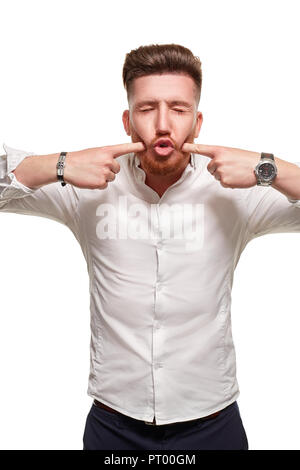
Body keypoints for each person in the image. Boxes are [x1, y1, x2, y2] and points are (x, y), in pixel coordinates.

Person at [1, 43, 300, 451]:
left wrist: (271, 169)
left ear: (197, 122)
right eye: (147, 108)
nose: (163, 124)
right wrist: (58, 164)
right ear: (127, 120)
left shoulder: (238, 193)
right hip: (114, 426)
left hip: (212, 425)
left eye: (178, 109)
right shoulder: (85, 186)